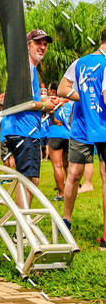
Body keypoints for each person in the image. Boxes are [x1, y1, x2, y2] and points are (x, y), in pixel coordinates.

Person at [57, 25, 106, 246]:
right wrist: (86, 98)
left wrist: (86, 97)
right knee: (76, 174)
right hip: (87, 125)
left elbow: (62, 90)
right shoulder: (81, 63)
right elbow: (62, 89)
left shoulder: (82, 62)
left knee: (83, 176)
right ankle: (67, 221)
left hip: (93, 126)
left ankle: (103, 232)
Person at [0, 30, 56, 207]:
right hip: (24, 130)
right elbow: (24, 101)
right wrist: (45, 104)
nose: (42, 47)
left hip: (23, 130)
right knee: (28, 180)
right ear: (28, 46)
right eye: (38, 43)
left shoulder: (28, 68)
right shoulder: (27, 68)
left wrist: (44, 100)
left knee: (31, 179)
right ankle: (22, 222)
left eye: (45, 44)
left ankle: (23, 220)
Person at [46, 82, 72, 201]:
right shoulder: (68, 103)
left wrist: (53, 120)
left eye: (49, 89)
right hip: (67, 135)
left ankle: (61, 194)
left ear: (53, 91)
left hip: (55, 134)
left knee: (57, 166)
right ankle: (72, 191)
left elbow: (51, 113)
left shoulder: (53, 101)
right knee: (67, 165)